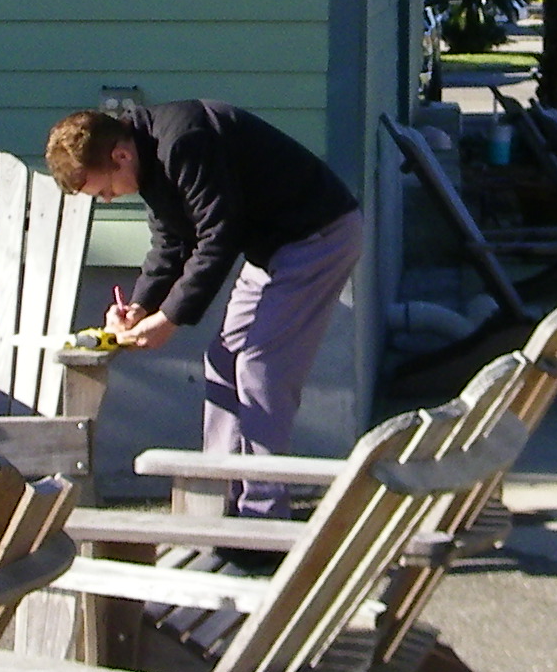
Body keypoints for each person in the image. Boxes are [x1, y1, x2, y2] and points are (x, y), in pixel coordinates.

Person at [44, 101, 364, 511]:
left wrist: (169, 318)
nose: (106, 200)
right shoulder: (147, 161)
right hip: (270, 248)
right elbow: (171, 244)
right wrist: (140, 306)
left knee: (260, 367)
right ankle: (215, 502)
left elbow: (218, 238)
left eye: (103, 190)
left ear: (120, 156)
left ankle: (263, 513)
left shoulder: (183, 142)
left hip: (318, 236)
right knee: (223, 361)